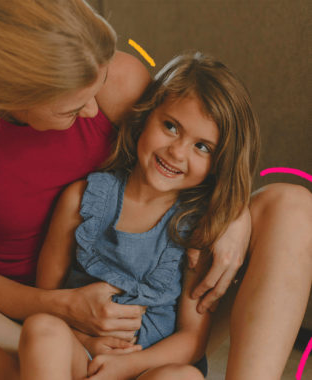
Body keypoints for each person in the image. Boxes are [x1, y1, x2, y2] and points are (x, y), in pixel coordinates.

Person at [0, 0, 310, 379]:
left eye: (96, 90)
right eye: (74, 107)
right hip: (25, 329)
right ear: (17, 97)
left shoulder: (115, 76)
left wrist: (232, 215)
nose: (94, 112)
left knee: (294, 206)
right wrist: (65, 310)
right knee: (39, 336)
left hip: (156, 334)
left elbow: (189, 154)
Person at [18, 52, 260, 380]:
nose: (177, 151)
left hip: (148, 368)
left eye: (202, 147)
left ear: (219, 163)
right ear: (145, 117)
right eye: (171, 126)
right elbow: (47, 300)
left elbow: (193, 340)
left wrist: (126, 366)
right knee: (41, 328)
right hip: (83, 357)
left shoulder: (199, 228)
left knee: (185, 378)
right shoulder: (80, 200)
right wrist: (85, 340)